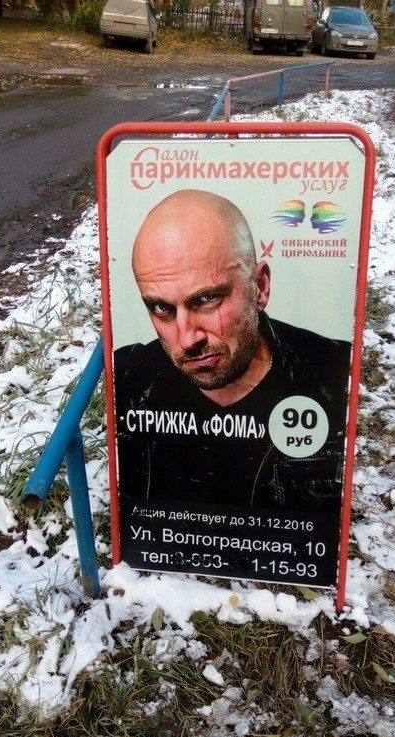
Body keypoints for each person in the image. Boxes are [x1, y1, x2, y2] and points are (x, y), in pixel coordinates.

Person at [113, 189, 351, 512]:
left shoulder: (329, 370)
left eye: (207, 299)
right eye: (162, 308)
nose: (187, 339)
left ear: (260, 287)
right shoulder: (131, 380)